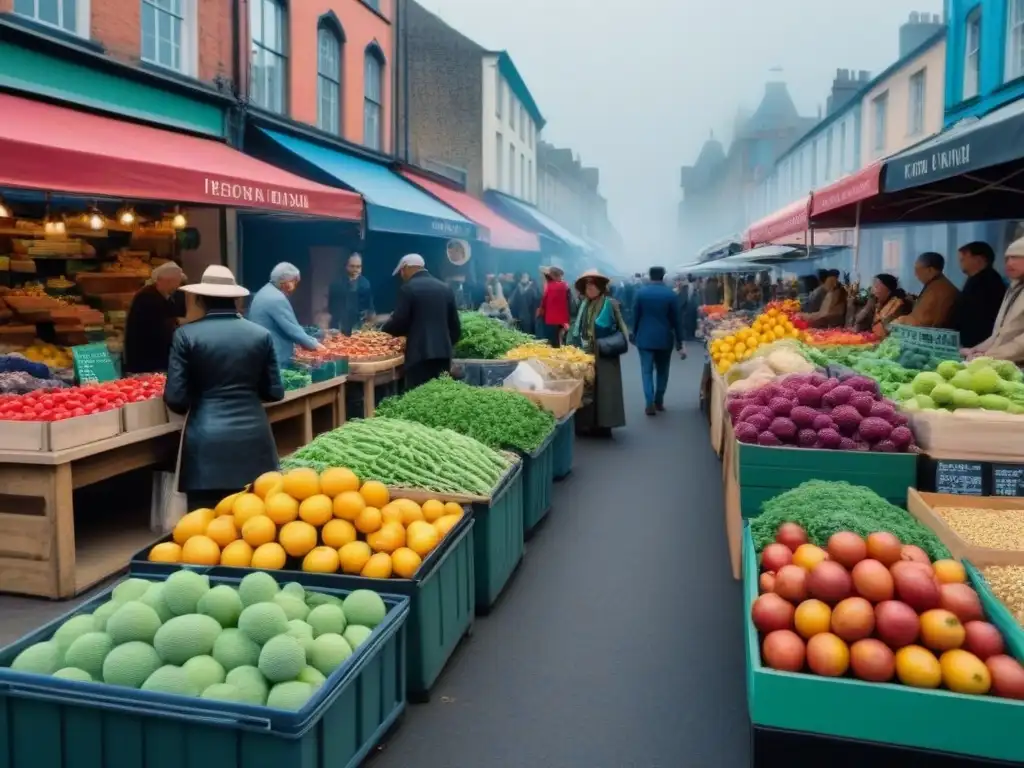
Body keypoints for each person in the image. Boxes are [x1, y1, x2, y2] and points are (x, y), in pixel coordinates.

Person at [163, 266, 284, 510]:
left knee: (205, 531)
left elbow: (175, 398)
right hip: (255, 444)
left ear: (199, 298)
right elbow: (274, 392)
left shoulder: (185, 335)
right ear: (236, 299)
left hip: (205, 447)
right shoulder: (261, 335)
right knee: (254, 528)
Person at [382, 254, 461, 390]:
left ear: (406, 268)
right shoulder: (445, 288)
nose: (402, 276)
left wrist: (384, 331)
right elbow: (455, 326)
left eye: (401, 272)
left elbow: (399, 321)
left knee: (418, 394)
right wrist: (446, 344)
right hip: (443, 355)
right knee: (440, 392)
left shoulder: (408, 289)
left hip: (418, 356)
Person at [569, 270, 627, 436]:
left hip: (604, 352)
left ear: (601, 287)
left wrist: (620, 337)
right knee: (587, 388)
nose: (589, 289)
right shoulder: (584, 304)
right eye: (587, 286)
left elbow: (621, 327)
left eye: (593, 286)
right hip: (586, 351)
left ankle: (604, 426)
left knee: (605, 390)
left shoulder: (610, 303)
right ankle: (587, 425)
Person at [248, 262, 324, 371]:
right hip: (274, 356)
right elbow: (292, 329)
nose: (294, 288)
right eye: (295, 282)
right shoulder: (277, 298)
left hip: (262, 352)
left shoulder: (265, 291)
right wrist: (315, 345)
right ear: (287, 282)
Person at [632, 266, 685, 416]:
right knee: (662, 371)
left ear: (649, 276)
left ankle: (649, 403)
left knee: (646, 371)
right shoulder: (671, 295)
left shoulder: (640, 293)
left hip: (645, 338)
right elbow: (676, 321)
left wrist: (634, 333)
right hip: (664, 338)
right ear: (664, 276)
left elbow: (635, 317)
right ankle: (659, 400)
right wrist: (680, 342)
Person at [962, 237, 1024, 363]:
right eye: (1007, 259)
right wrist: (976, 350)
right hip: (1003, 362)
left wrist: (988, 355)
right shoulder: (1014, 288)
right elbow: (1000, 333)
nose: (1009, 263)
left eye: (1017, 258)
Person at [123, 261, 185, 374]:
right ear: (165, 281)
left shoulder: (165, 296)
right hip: (146, 361)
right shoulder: (147, 297)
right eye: (176, 282)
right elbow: (158, 328)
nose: (177, 286)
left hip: (156, 359)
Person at [953, 241, 1006, 348]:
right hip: (969, 343)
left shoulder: (989, 282)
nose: (960, 263)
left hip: (980, 344)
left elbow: (980, 317)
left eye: (963, 259)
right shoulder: (974, 279)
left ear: (979, 259)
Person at [893, 252, 960, 329]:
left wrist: (903, 320)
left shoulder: (938, 290)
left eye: (917, 269)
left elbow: (923, 321)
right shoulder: (937, 284)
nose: (915, 274)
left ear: (930, 270)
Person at [327, 253, 375, 334]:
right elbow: (331, 307)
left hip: (358, 328)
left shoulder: (365, 284)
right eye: (352, 266)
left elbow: (369, 307)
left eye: (358, 267)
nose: (355, 269)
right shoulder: (336, 284)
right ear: (346, 266)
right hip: (338, 327)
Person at [537, 266, 571, 347]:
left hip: (552, 319)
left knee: (553, 341)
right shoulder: (564, 286)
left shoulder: (551, 286)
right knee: (558, 341)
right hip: (560, 319)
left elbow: (544, 302)